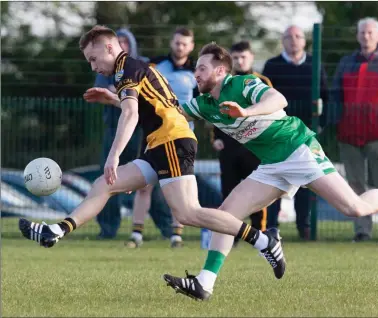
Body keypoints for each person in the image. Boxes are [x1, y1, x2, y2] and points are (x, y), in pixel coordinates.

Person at [77, 42, 378, 302]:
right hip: (271, 165)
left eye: (201, 68)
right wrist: (114, 98)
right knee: (224, 216)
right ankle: (205, 283)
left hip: (298, 150)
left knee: (354, 208)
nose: (196, 73)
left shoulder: (242, 83)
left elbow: (279, 100)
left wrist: (247, 112)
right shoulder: (204, 103)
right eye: (195, 69)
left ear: (221, 70)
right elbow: (161, 109)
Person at [18, 26, 287, 286]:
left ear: (110, 48)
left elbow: (131, 113)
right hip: (160, 145)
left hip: (171, 141)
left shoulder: (125, 68)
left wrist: (114, 156)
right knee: (104, 184)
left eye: (93, 58)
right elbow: (153, 103)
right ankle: (56, 231)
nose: (93, 66)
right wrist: (113, 98)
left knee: (187, 213)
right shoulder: (131, 68)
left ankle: (264, 241)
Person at [327, 17, 378, 242]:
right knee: (354, 184)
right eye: (363, 32)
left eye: (371, 32)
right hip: (349, 134)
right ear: (357, 35)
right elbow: (335, 94)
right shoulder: (345, 63)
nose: (366, 36)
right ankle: (362, 231)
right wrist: (338, 119)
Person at [94, 28, 172, 240]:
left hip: (143, 132)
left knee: (149, 183)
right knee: (108, 178)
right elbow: (112, 90)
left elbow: (131, 102)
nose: (122, 45)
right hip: (115, 129)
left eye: (124, 42)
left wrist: (117, 94)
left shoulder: (138, 65)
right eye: (118, 41)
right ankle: (107, 229)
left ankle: (167, 228)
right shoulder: (105, 67)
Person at [125, 27, 198, 249]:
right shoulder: (156, 65)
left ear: (191, 46)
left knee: (180, 186)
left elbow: (202, 104)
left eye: (185, 43)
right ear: (171, 43)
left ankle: (177, 235)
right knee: (143, 185)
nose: (180, 47)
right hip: (152, 133)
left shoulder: (196, 71)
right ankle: (136, 234)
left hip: (181, 135)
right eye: (177, 42)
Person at [262, 25, 329, 240]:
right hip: (277, 133)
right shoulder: (272, 66)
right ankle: (271, 227)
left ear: (304, 41)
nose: (293, 40)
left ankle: (304, 227)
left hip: (306, 133)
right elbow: (263, 96)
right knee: (274, 178)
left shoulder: (314, 65)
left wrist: (321, 126)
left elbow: (326, 97)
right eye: (288, 36)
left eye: (298, 36)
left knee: (307, 180)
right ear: (282, 40)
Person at [211, 40, 274, 245]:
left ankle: (260, 232)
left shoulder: (262, 81)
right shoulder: (224, 82)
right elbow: (214, 111)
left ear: (251, 57)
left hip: (254, 147)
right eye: (235, 57)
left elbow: (272, 111)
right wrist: (216, 138)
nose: (239, 60)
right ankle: (231, 233)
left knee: (257, 190)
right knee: (229, 192)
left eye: (243, 57)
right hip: (229, 145)